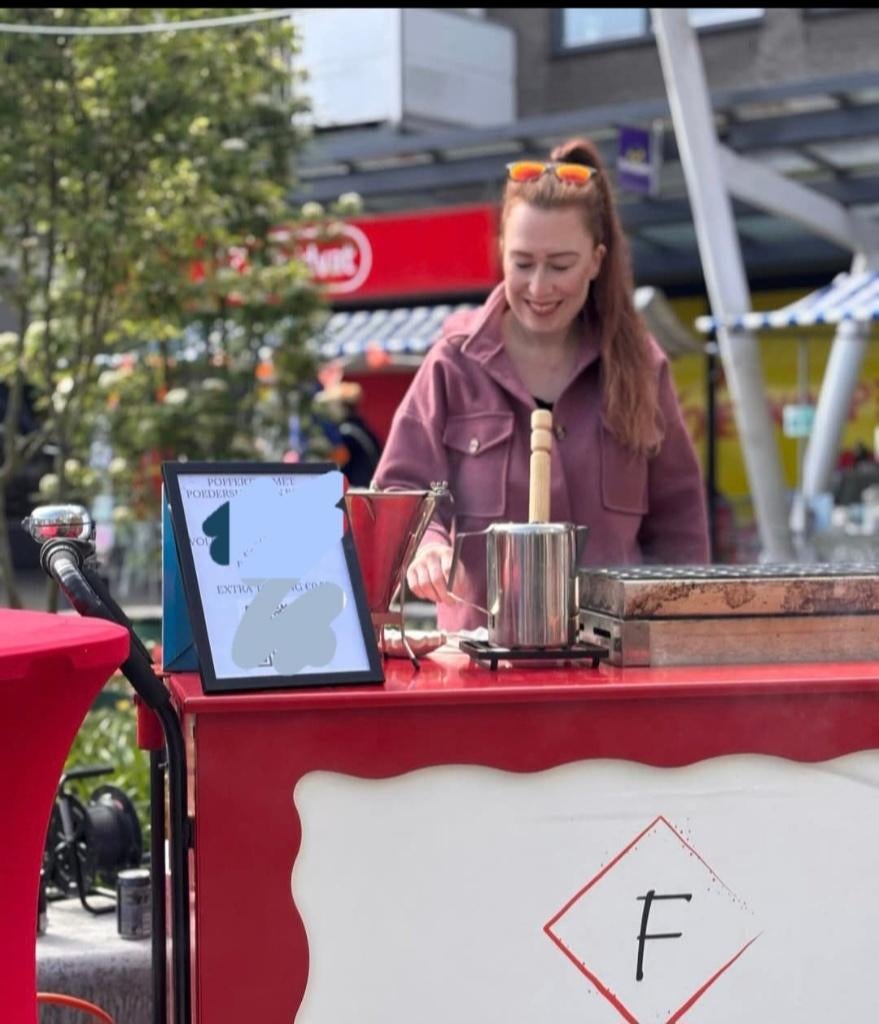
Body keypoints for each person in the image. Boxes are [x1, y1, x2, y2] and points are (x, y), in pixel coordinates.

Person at [373, 137, 709, 632]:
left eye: (560, 265)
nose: (538, 287)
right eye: (523, 263)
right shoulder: (453, 362)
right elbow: (400, 489)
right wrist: (427, 545)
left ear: (596, 260)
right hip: (478, 673)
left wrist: (682, 635)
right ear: (500, 253)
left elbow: (681, 529)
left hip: (614, 665)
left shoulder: (641, 366)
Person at [312, 380, 382, 487]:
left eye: (329, 405)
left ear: (341, 406)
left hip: (357, 492)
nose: (326, 410)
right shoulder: (361, 428)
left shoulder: (347, 433)